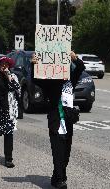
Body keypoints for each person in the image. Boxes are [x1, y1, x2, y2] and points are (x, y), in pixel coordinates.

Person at [31, 51, 85, 189]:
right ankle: (60, 179)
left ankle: (57, 176)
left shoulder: (70, 80)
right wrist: (34, 65)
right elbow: (36, 79)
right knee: (58, 150)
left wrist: (75, 58)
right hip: (56, 120)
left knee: (66, 152)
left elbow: (80, 68)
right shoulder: (50, 81)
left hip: (68, 119)